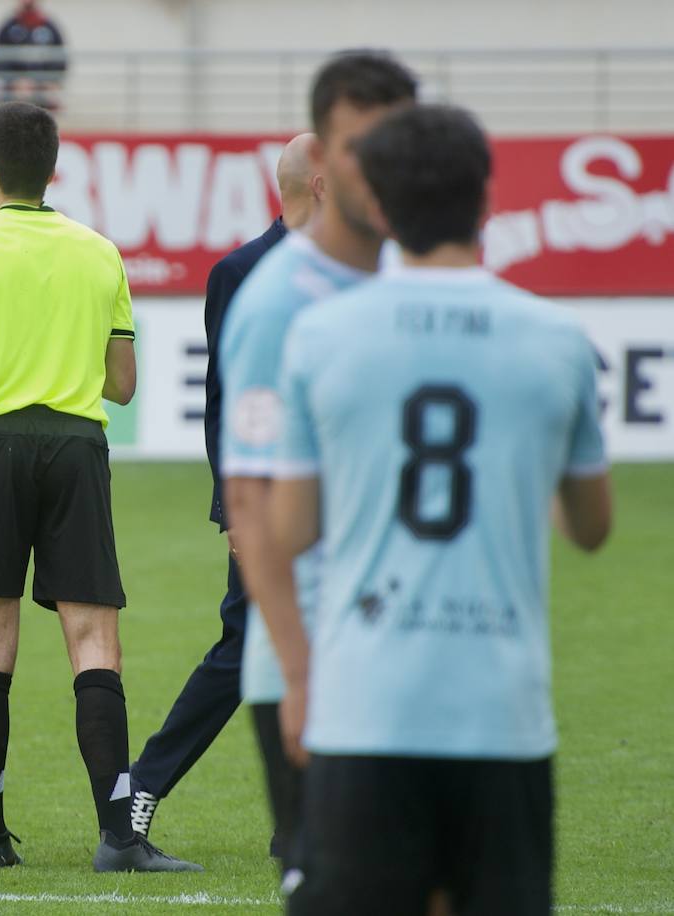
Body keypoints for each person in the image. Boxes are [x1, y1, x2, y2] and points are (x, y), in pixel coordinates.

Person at [268, 104, 612, 916]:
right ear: (487, 201)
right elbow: (592, 527)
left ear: (378, 205)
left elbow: (290, 529)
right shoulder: (558, 338)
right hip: (501, 713)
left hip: (364, 707)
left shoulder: (322, 335)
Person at [0, 100, 199, 873]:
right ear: (54, 170)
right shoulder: (100, 252)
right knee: (94, 641)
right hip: (75, 445)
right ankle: (118, 839)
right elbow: (123, 385)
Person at [218, 51, 417, 886]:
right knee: (332, 879)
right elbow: (251, 482)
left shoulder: (416, 287)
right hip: (309, 644)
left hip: (412, 644)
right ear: (328, 163)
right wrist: (299, 675)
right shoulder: (270, 292)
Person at [128, 134, 324, 852]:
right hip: (268, 494)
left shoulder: (358, 272)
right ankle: (143, 785)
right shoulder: (243, 270)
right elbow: (225, 396)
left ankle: (301, 823)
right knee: (247, 643)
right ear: (323, 186)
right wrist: (231, 504)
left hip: (345, 496)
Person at [0, 0, 65, 110]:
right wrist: (14, 81)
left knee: (51, 97)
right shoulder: (8, 26)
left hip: (44, 82)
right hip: (15, 82)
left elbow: (60, 57)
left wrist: (50, 80)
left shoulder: (49, 26)